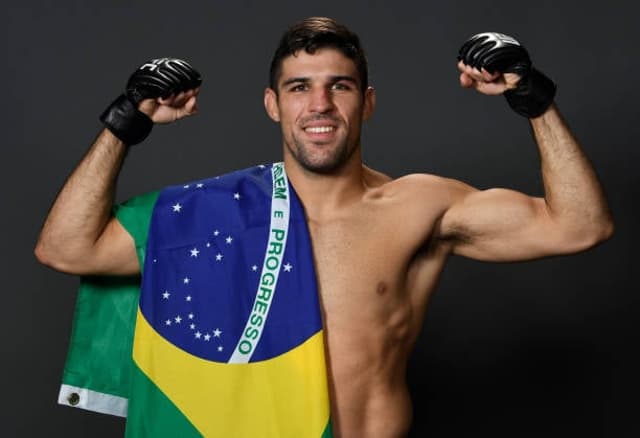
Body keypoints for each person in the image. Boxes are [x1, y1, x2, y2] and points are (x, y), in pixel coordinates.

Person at [35, 16, 613, 438]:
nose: (320, 104)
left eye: (339, 86)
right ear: (272, 104)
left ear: (367, 102)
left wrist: (533, 99)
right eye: (299, 87)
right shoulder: (208, 215)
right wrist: (123, 123)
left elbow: (579, 226)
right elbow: (66, 248)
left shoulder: (420, 206)